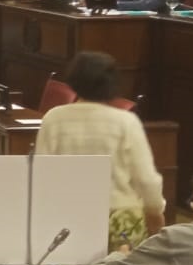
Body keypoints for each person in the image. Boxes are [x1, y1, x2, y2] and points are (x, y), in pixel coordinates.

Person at [37, 51, 166, 247]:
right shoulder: (126, 122)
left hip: (68, 217)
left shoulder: (54, 118)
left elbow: (43, 173)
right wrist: (156, 211)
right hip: (120, 219)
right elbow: (146, 179)